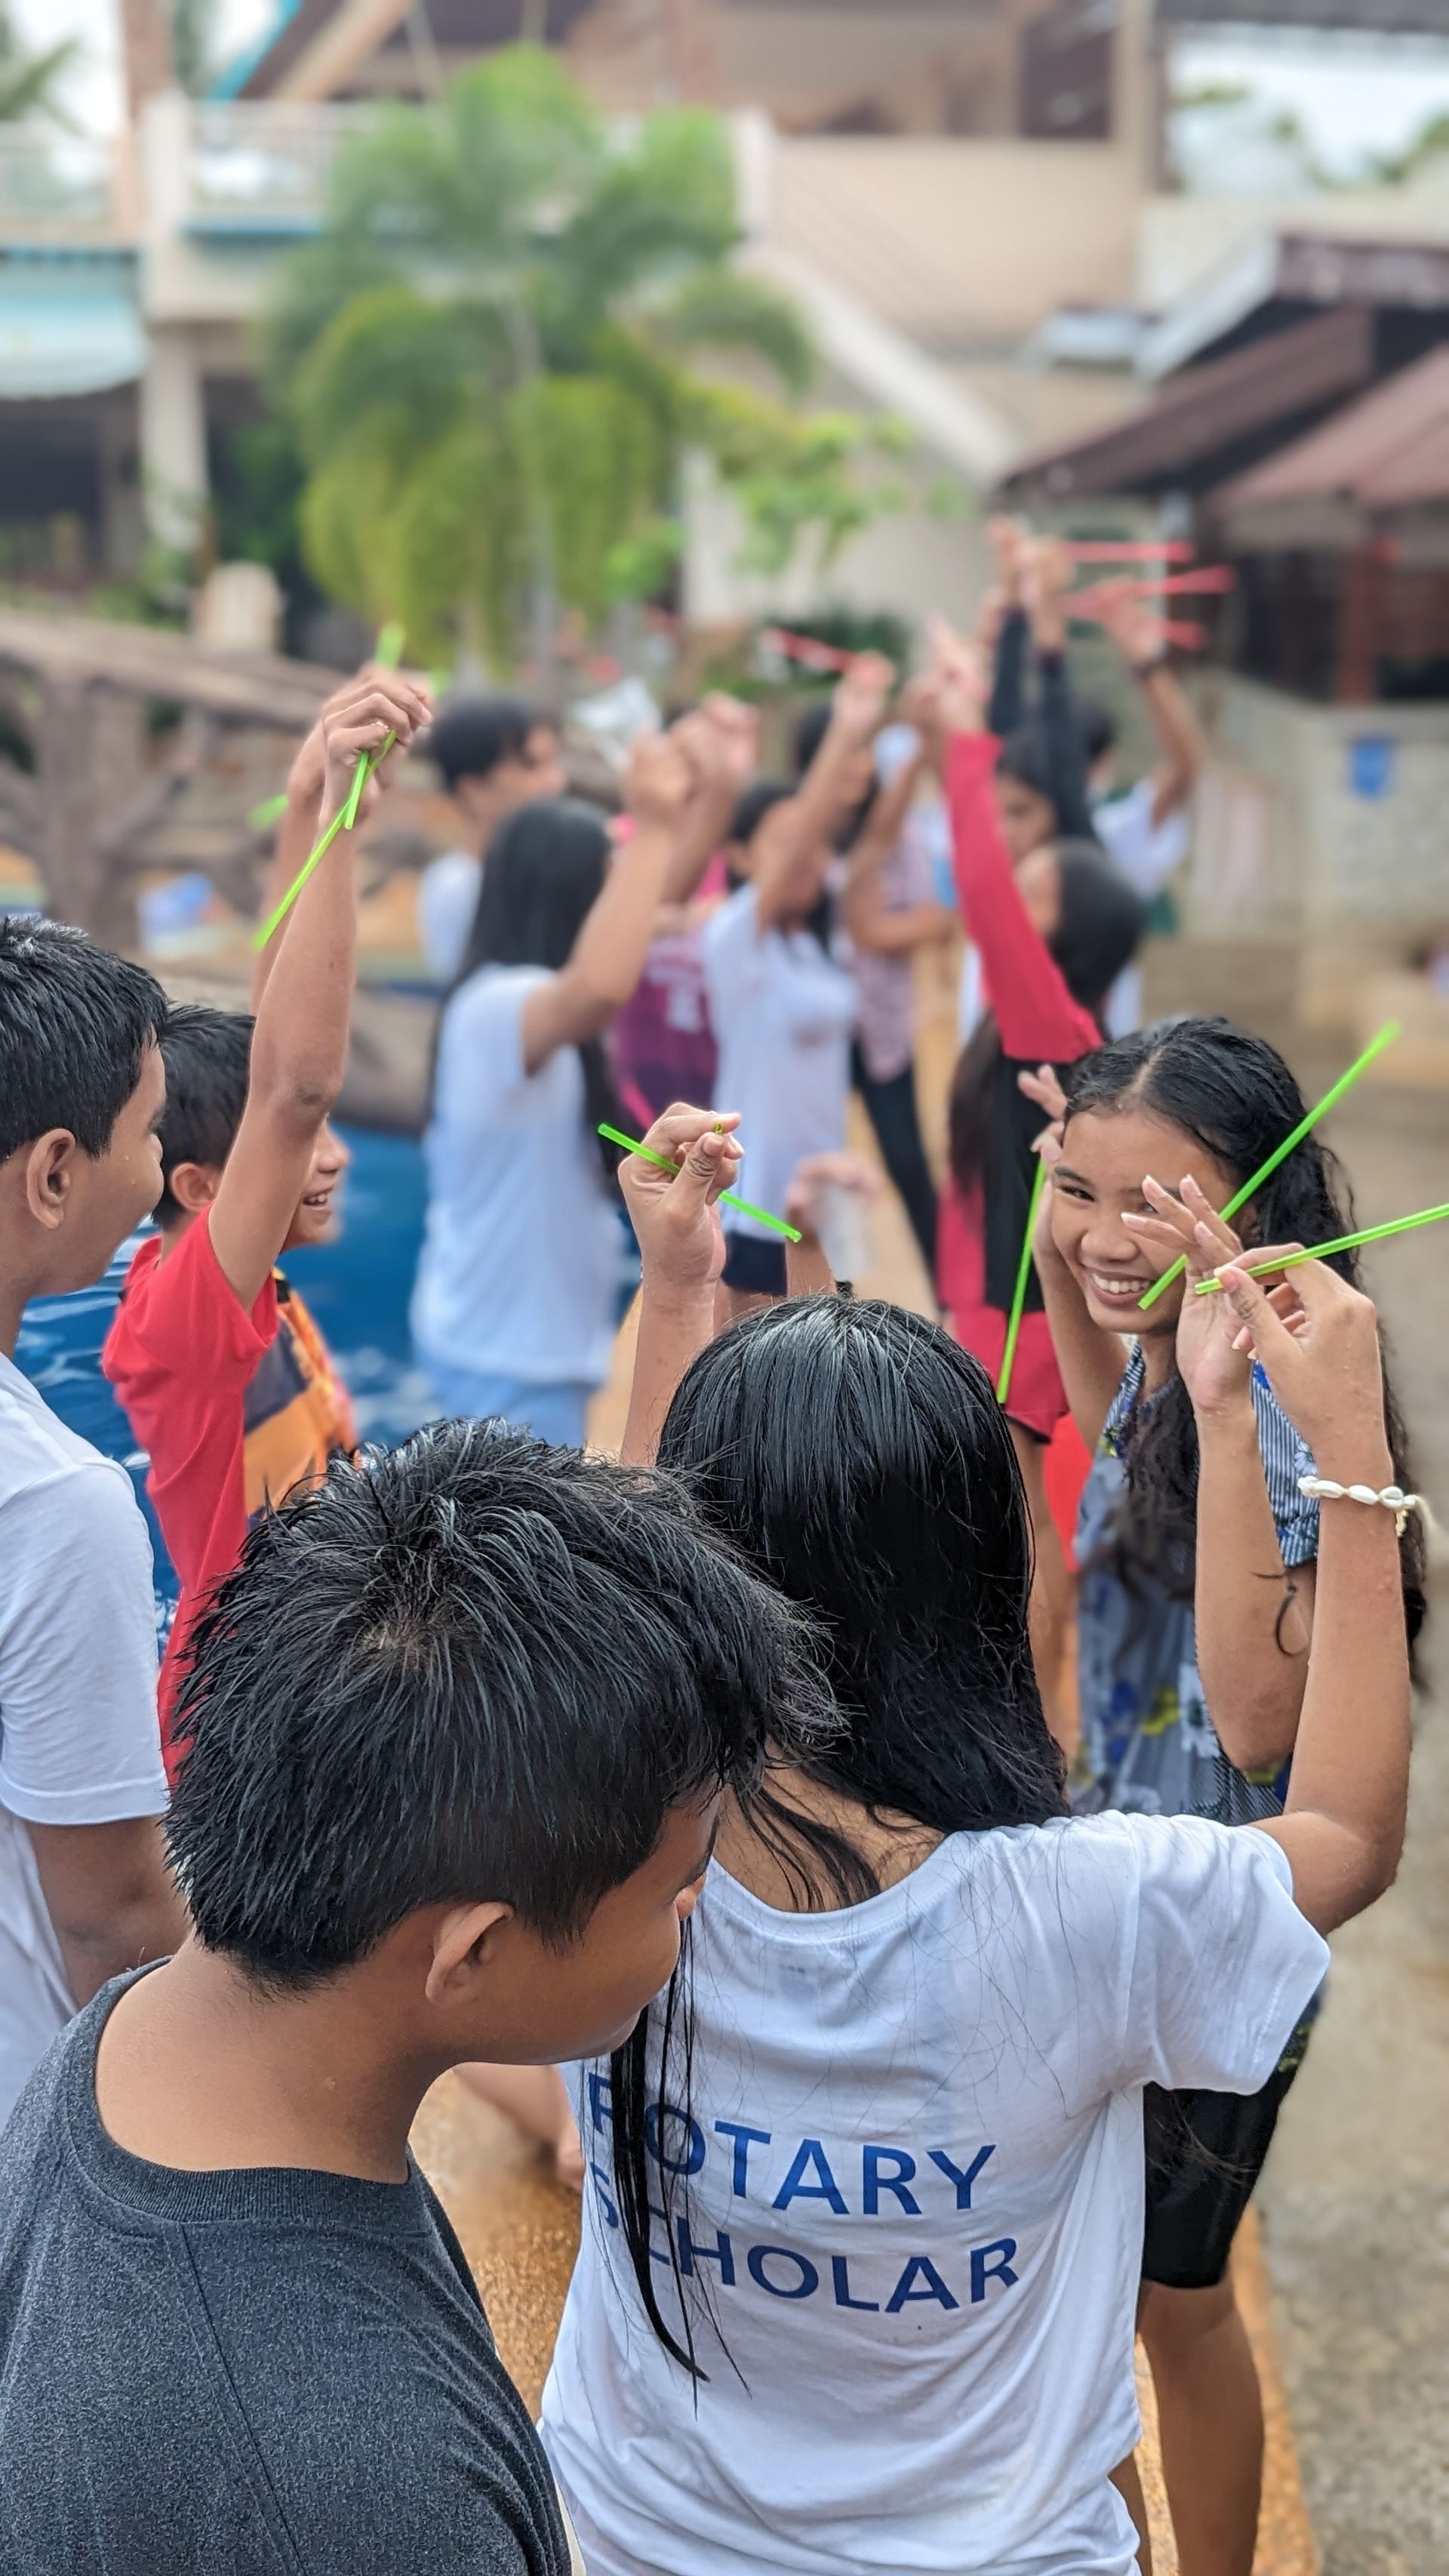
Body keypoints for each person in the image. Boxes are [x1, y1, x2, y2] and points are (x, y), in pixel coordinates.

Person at [537, 1106, 1411, 2576]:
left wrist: (679, 1287)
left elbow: (638, 1620)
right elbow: (1344, 1830)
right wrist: (1351, 1455)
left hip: (643, 2539)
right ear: (986, 1582)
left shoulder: (601, 1828)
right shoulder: (1081, 1906)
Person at [0, 1411, 833, 2574]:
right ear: (473, 1952)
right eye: (674, 1887)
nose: (693, 1915)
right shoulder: (369, 2493)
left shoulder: (128, 2045)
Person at [1027, 1016, 1426, 2576]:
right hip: (1141, 1872)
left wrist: (1205, 1393)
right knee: (1122, 2284)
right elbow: (1094, 1391)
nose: (1110, 1241)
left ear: (1254, 1210)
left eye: (1156, 1201)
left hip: (1232, 1899)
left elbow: (1261, 1717)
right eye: (1082, 1194)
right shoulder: (1176, 1342)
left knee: (1172, 2298)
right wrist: (1073, 1199)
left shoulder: (1264, 1392)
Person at [103, 670, 429, 1769]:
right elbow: (289, 1087)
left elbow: (270, 1035)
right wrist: (341, 826)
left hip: (311, 1676)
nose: (330, 1158)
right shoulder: (190, 1317)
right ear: (203, 1187)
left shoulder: (208, 1267)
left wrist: (308, 803)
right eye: (298, 1153)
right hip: (251, 1726)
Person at [930, 638, 1143, 1731]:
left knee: (1026, 1560)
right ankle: (1046, 1731)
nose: (1019, 887)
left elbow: (976, 885)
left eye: (1041, 884)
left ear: (1065, 928)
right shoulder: (1071, 1035)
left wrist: (965, 740)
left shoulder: (1051, 1026)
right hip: (1001, 1315)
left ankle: (1043, 1744)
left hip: (1019, 1328)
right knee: (1025, 1550)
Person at [0, 917, 185, 2129]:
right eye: (152, 1128)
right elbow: (111, 1916)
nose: (162, 1167)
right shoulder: (54, 1504)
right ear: (55, 1171)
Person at [411, 731, 697, 1447]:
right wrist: (654, 824)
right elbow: (601, 984)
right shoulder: (498, 1007)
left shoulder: (517, 1009)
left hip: (521, 1349)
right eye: (606, 884)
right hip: (502, 1359)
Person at [703, 654, 895, 1309]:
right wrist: (843, 731)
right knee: (758, 1378)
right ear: (741, 858)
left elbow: (865, 826)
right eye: (784, 844)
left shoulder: (814, 942)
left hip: (826, 1189)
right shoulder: (736, 940)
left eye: (812, 845)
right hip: (760, 1198)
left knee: (828, 1362)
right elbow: (813, 822)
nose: (806, 858)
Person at [797, 697, 955, 1283]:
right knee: (817, 1168)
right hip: (811, 1035)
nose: (859, 766)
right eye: (846, 753)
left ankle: (947, 1297)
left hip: (881, 1029)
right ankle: (833, 1296)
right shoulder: (793, 834)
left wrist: (875, 929)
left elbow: (935, 920)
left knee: (908, 1163)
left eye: (865, 753)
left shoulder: (901, 836)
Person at [611, 699, 758, 1133]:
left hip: (723, 1081)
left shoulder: (746, 855)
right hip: (641, 1078)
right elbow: (628, 924)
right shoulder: (628, 840)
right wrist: (687, 919)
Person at [416, 695, 567, 986]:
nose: (555, 781)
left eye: (553, 762)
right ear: (474, 788)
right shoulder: (457, 887)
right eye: (530, 765)